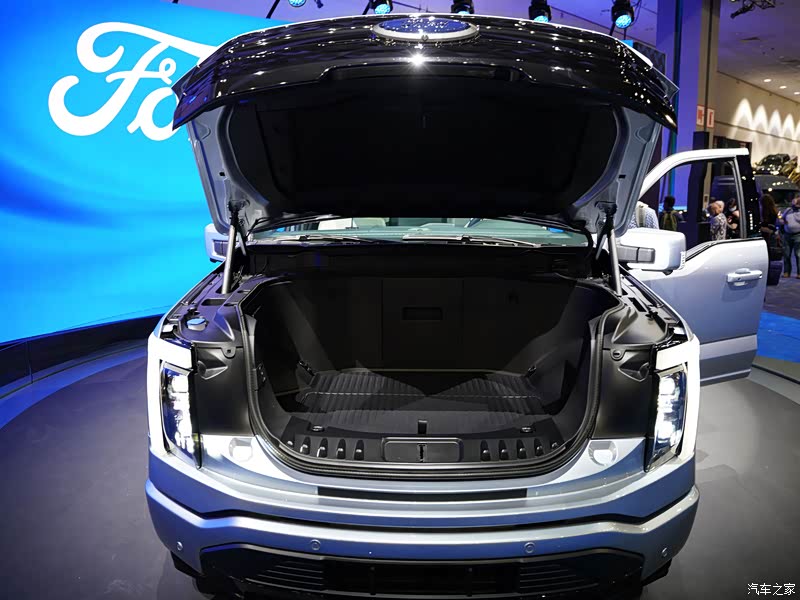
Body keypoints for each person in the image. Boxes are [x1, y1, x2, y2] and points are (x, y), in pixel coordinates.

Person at [777, 194, 800, 277]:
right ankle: (786, 272)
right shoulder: (788, 210)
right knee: (786, 254)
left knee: (798, 255)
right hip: (787, 235)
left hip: (798, 235)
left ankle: (799, 273)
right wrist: (782, 221)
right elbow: (781, 218)